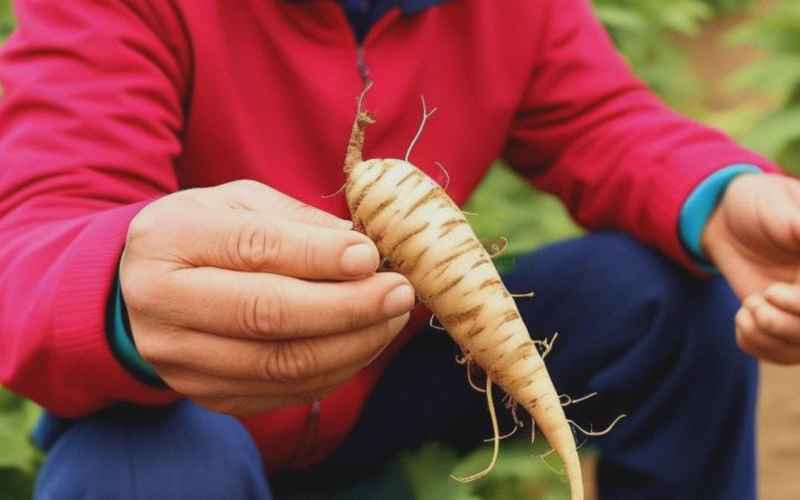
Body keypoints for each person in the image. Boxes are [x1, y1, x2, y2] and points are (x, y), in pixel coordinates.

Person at [1, 0, 799, 498]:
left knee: (668, 296)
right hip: (184, 404)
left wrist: (722, 198)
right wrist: (119, 290)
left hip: (383, 370)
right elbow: (33, 236)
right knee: (142, 472)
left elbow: (598, 118)